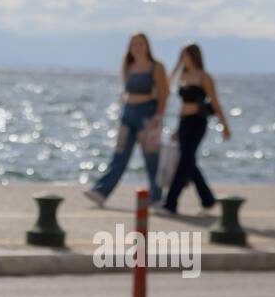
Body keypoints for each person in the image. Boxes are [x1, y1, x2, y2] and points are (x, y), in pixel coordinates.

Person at [84, 33, 168, 208]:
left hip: (148, 114)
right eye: (133, 44)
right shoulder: (128, 66)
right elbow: (125, 90)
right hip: (128, 113)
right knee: (119, 154)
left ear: (147, 46)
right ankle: (101, 191)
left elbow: (164, 93)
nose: (137, 48)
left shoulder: (156, 67)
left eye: (140, 44)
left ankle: (157, 197)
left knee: (152, 158)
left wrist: (158, 117)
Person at [159, 43, 231, 215]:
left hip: (197, 123)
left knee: (186, 160)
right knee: (189, 163)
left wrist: (224, 126)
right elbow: (166, 86)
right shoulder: (183, 75)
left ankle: (171, 203)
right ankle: (207, 200)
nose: (184, 59)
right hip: (183, 122)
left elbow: (215, 102)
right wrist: (176, 67)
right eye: (182, 56)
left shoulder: (204, 77)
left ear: (195, 56)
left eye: (186, 56)